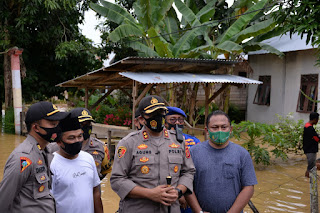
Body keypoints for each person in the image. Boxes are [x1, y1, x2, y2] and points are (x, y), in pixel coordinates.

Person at [110, 95, 196, 213]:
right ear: (141, 119)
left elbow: (189, 171)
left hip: (170, 209)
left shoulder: (178, 141)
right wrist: (149, 194)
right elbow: (117, 179)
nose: (158, 117)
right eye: (152, 114)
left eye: (161, 112)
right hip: (138, 209)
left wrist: (178, 191)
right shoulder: (128, 143)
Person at [0, 101, 68, 212]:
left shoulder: (45, 150)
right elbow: (3, 201)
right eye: (52, 124)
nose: (57, 128)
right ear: (36, 127)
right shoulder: (22, 158)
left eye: (57, 123)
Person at [185, 110, 257, 213]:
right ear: (206, 130)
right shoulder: (193, 153)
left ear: (230, 129)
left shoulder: (242, 154)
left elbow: (249, 187)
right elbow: (187, 185)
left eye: (224, 127)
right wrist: (199, 211)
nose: (220, 131)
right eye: (215, 127)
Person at [50, 114, 103, 213]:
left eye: (79, 136)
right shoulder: (51, 164)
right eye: (71, 138)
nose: (77, 141)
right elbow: (47, 202)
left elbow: (95, 192)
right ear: (59, 142)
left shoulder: (88, 158)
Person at [48, 107, 112, 180]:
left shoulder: (100, 147)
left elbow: (104, 171)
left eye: (88, 124)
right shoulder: (53, 148)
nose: (85, 128)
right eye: (81, 124)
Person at [165, 106, 200, 213]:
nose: (177, 122)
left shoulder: (193, 141)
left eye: (180, 120)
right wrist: (178, 194)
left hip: (191, 192)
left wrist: (186, 194)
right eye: (173, 119)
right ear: (165, 122)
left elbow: (195, 169)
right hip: (168, 193)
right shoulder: (160, 140)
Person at [302, 112, 320, 178]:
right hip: (310, 150)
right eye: (317, 120)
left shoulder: (307, 126)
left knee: (311, 166)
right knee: (311, 166)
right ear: (315, 119)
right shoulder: (310, 128)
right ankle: (307, 179)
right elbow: (317, 139)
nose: (317, 121)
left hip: (308, 148)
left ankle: (310, 178)